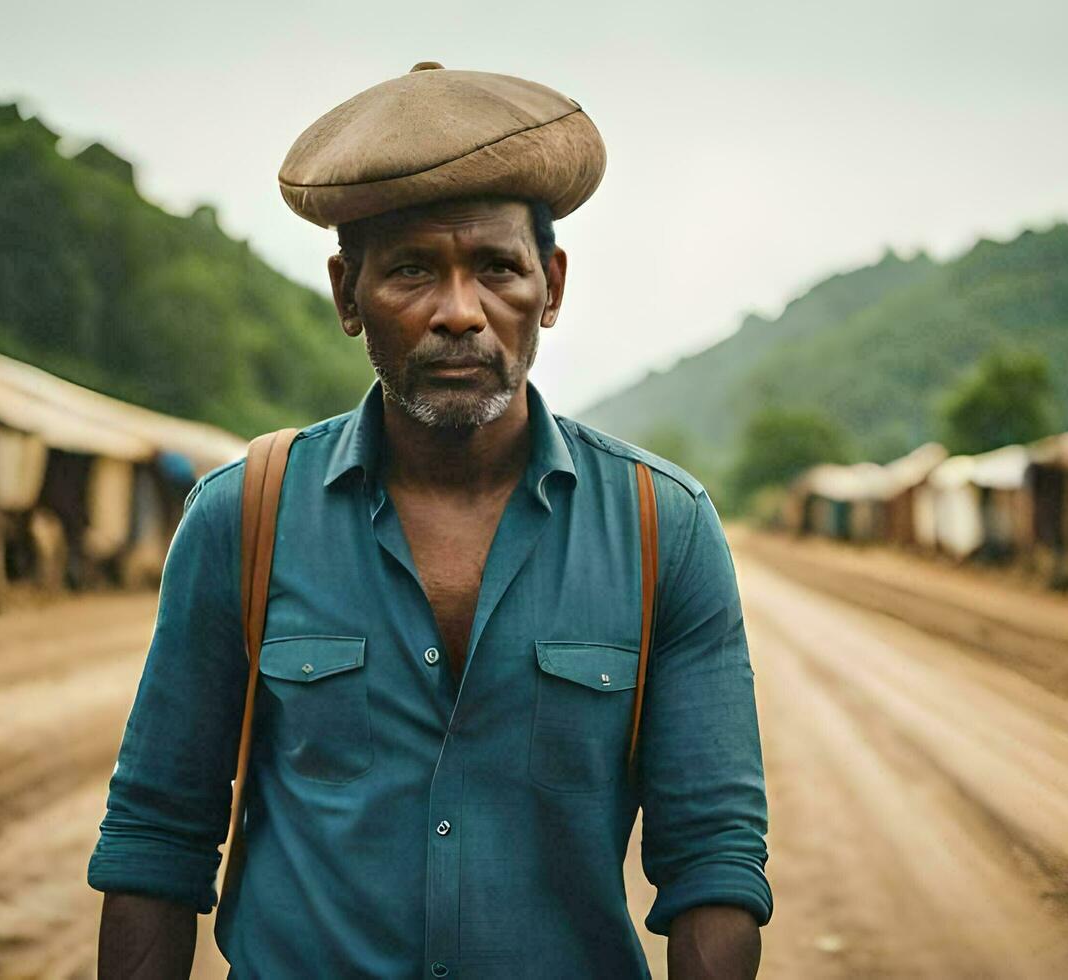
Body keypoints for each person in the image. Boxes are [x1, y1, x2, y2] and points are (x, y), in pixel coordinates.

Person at [89, 63, 771, 979]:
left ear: (551, 286)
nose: (460, 313)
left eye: (496, 267)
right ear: (346, 294)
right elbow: (156, 838)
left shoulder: (663, 528)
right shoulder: (240, 518)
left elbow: (713, 863)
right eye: (412, 270)